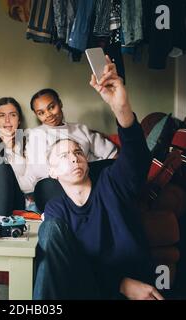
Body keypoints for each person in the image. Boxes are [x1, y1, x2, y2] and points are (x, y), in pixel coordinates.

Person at [33, 56, 163, 300]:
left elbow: (135, 158)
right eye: (63, 157)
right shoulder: (56, 209)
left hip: (135, 287)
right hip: (90, 287)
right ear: (52, 171)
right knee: (49, 232)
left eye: (78, 152)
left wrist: (120, 108)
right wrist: (120, 284)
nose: (73, 158)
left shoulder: (112, 183)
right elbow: (70, 266)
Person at [26, 87, 118, 211]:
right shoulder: (36, 134)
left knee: (114, 167)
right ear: (36, 115)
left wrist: (85, 169)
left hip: (90, 178)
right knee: (45, 186)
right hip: (59, 184)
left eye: (51, 107)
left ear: (60, 103)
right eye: (41, 113)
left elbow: (112, 154)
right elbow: (40, 170)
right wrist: (73, 172)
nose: (48, 115)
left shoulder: (80, 129)